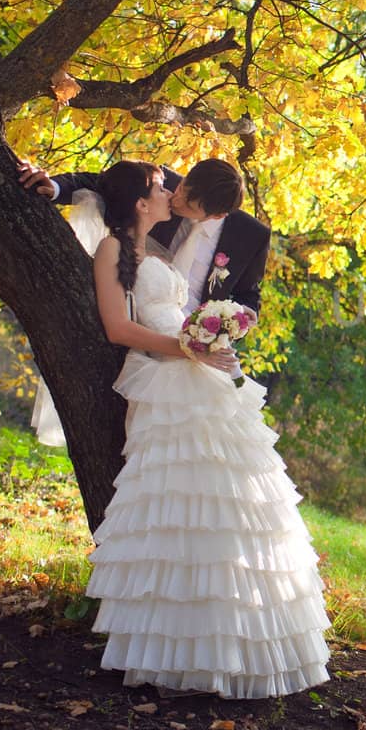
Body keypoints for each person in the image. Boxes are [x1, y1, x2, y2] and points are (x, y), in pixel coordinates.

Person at [81, 160, 330, 698]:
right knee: (171, 508)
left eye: (172, 188)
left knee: (226, 502)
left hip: (201, 367)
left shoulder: (163, 242)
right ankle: (167, 643)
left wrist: (218, 333)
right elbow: (118, 326)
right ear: (143, 201)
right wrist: (189, 347)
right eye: (159, 187)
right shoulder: (114, 247)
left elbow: (234, 299)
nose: (170, 190)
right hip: (165, 374)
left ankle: (231, 638)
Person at [19, 156, 270, 316]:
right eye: (182, 188)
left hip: (198, 338)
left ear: (217, 215)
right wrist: (54, 186)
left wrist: (237, 320)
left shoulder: (251, 236)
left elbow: (248, 296)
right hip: (139, 317)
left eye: (189, 206)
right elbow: (102, 182)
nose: (176, 199)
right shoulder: (158, 185)